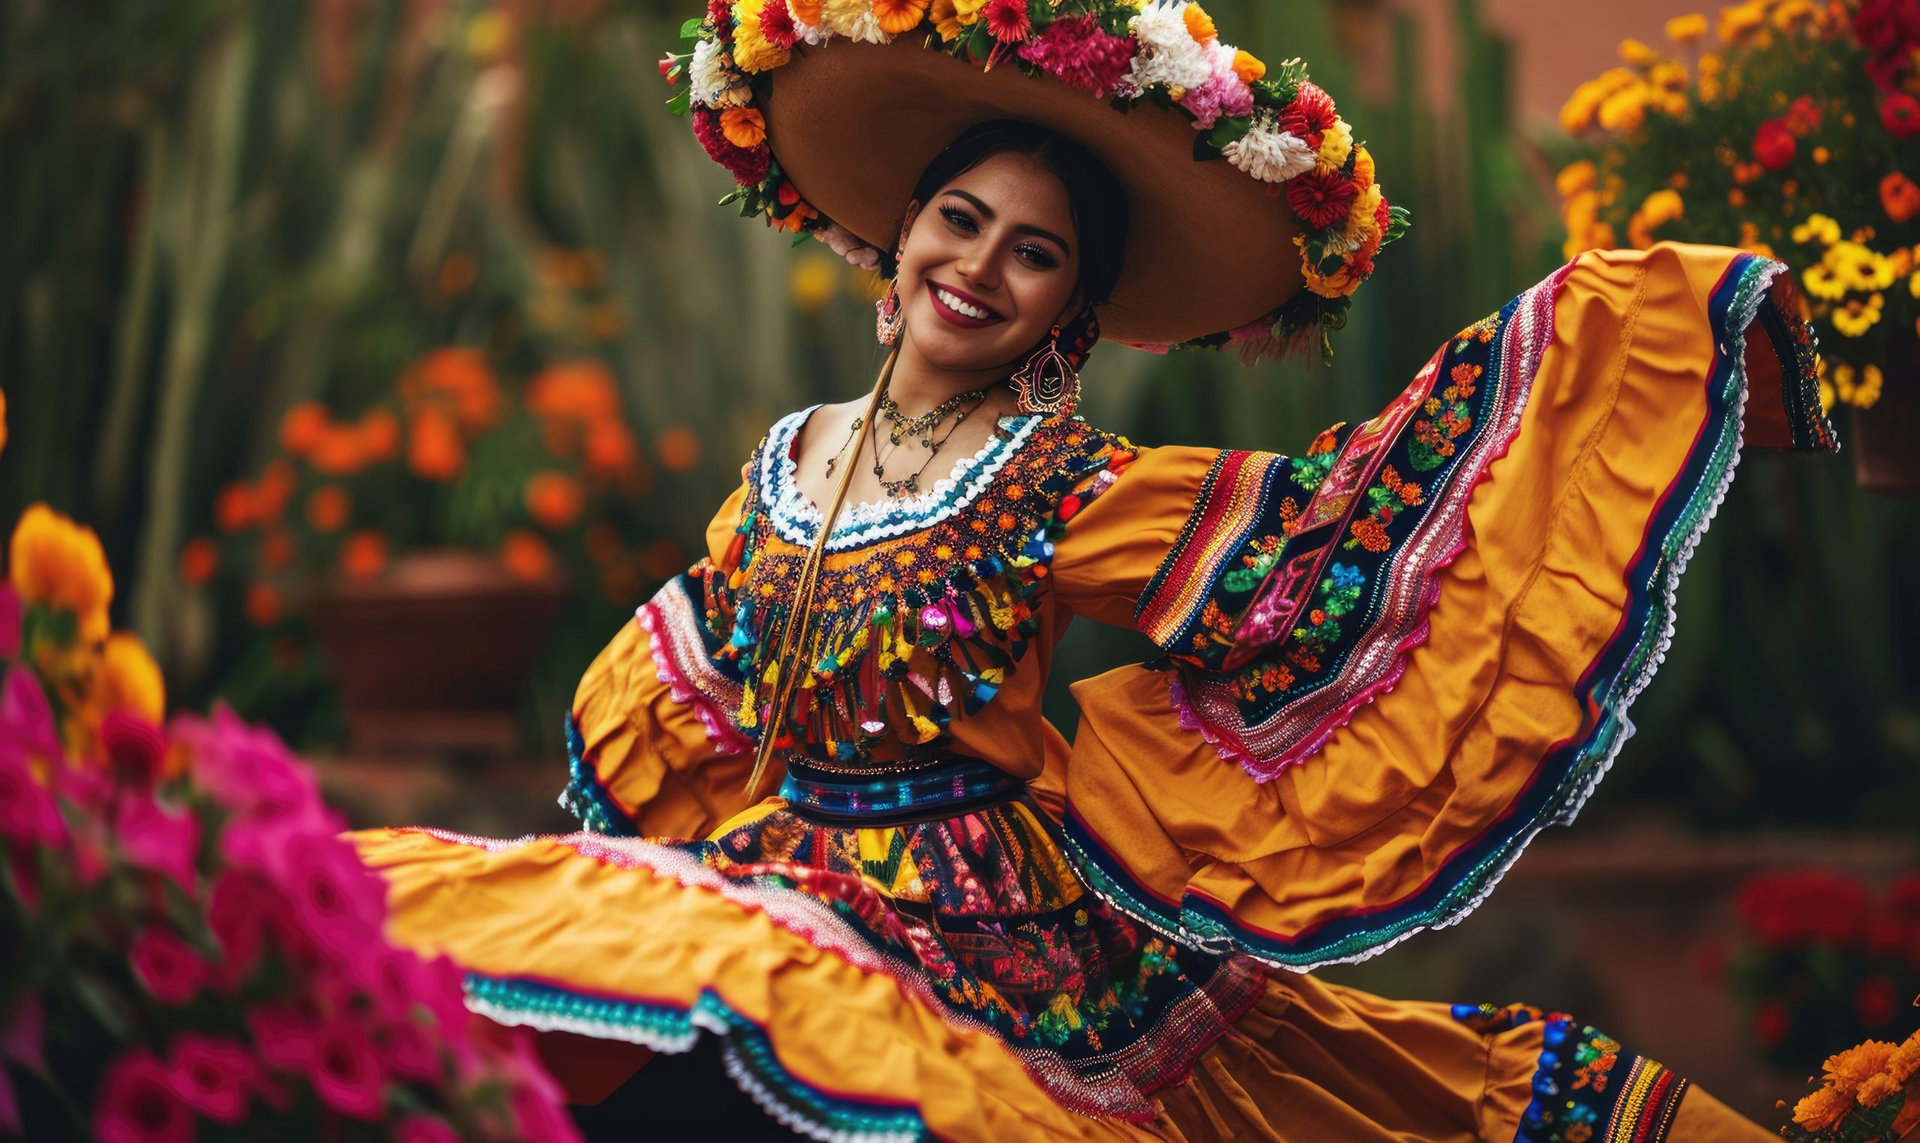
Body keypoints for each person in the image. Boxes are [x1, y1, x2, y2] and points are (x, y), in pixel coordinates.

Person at [352, 8, 1838, 1141]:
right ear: (899, 245)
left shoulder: (1058, 484)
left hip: (976, 933)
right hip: (778, 879)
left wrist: (1593, 349)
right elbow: (703, 673)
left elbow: (1318, 552)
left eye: (1035, 254)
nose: (980, 267)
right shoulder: (786, 460)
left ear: (1067, 311)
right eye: (959, 221)